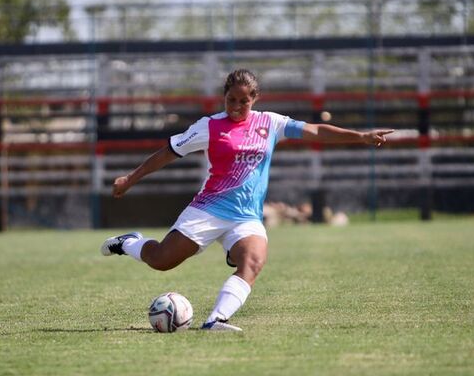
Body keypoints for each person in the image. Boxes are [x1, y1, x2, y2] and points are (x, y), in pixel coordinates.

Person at [101, 69, 394, 331]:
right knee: (161, 260)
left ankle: (216, 320)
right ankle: (129, 243)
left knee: (253, 261)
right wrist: (131, 178)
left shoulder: (271, 123)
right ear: (224, 98)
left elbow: (315, 130)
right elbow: (168, 151)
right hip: (209, 210)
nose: (237, 107)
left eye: (244, 101)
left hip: (246, 217)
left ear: (255, 99)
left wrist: (360, 136)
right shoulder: (209, 126)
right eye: (231, 100)